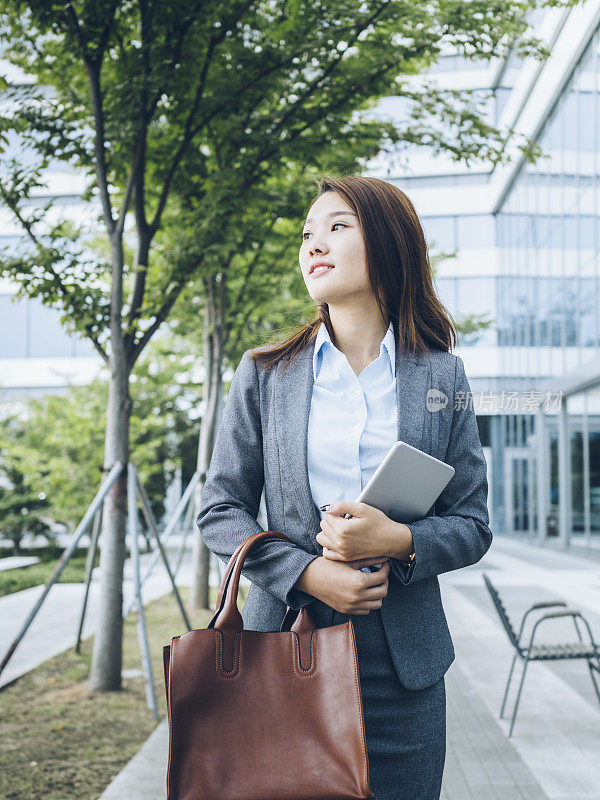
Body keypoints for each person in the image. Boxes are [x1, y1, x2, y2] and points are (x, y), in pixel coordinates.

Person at [196, 174, 492, 800]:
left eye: (336, 226)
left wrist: (403, 539)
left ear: (386, 244)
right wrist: (308, 572)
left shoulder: (442, 374)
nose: (313, 245)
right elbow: (220, 509)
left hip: (404, 671)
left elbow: (472, 523)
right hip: (285, 647)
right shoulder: (266, 373)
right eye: (307, 234)